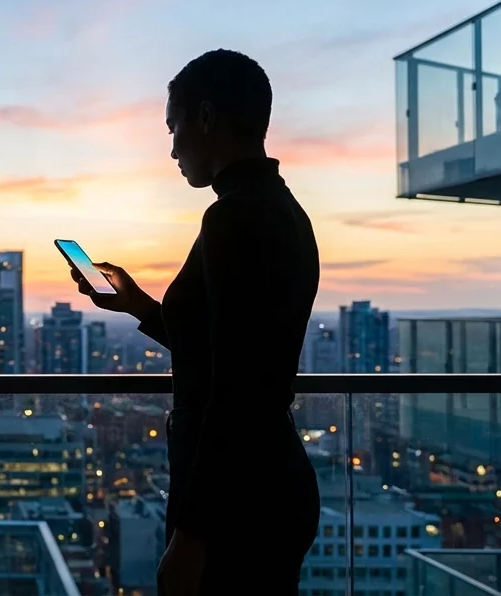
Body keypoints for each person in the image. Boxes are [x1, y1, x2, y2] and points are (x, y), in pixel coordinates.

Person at [71, 49, 321, 595]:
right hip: (263, 483)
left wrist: (192, 535)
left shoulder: (234, 217)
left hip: (238, 503)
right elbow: (224, 349)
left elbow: (239, 392)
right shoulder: (278, 209)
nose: (172, 148)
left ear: (206, 118)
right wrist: (138, 306)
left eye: (174, 127)